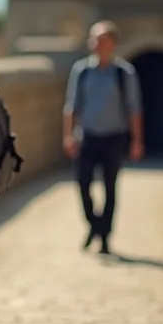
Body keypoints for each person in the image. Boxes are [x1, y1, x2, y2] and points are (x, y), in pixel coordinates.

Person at [62, 20, 144, 255]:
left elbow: (134, 109)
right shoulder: (82, 70)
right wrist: (68, 136)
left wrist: (137, 141)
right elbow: (71, 107)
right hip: (87, 136)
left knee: (109, 187)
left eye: (101, 40)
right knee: (83, 184)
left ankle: (104, 237)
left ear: (113, 44)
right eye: (93, 39)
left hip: (114, 137)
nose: (95, 44)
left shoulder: (124, 73)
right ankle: (96, 225)